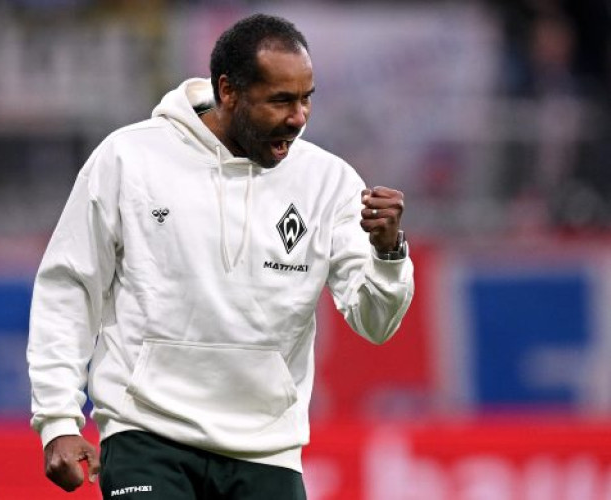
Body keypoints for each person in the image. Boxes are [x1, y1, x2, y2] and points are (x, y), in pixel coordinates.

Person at [27, 13, 414, 500]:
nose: (299, 117)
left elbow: (376, 323)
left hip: (266, 449)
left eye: (306, 99)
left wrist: (387, 253)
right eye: (281, 100)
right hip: (146, 432)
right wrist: (58, 419)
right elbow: (69, 289)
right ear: (229, 91)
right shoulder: (129, 159)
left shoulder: (329, 183)